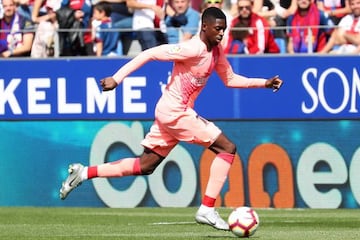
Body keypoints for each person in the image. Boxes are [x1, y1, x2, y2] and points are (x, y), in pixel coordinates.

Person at [59, 7, 283, 231]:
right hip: (176, 113)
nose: (221, 34)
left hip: (171, 113)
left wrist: (263, 83)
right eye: (217, 29)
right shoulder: (191, 49)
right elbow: (149, 54)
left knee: (145, 165)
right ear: (204, 26)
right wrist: (117, 79)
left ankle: (84, 172)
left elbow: (231, 79)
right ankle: (206, 208)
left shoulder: (216, 51)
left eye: (224, 30)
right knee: (227, 148)